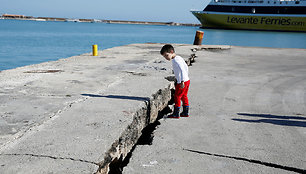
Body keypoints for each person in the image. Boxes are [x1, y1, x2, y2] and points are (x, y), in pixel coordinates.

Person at [160, 44, 190, 118]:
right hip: (187, 80)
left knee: (177, 96)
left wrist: (182, 80)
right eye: (164, 56)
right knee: (184, 96)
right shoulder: (178, 58)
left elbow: (182, 69)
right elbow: (186, 67)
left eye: (166, 55)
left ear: (171, 51)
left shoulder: (176, 60)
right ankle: (185, 112)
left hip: (182, 82)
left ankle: (176, 113)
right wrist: (185, 77)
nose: (166, 58)